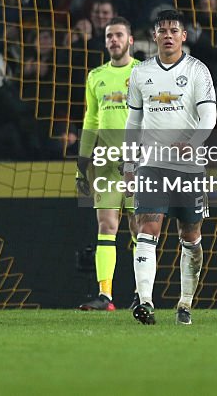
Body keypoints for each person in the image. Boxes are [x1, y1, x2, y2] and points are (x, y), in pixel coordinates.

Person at [125, 9, 217, 325]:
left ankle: (185, 304)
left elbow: (209, 117)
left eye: (173, 30)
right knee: (147, 228)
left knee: (190, 235)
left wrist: (193, 143)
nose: (167, 35)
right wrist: (128, 163)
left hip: (189, 167)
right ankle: (146, 301)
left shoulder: (198, 71)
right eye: (162, 30)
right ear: (154, 36)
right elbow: (133, 120)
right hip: (151, 165)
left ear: (183, 36)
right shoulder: (140, 73)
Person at [76, 17, 139, 311]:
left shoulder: (143, 72)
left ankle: (143, 294)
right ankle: (106, 296)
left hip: (140, 161)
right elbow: (90, 121)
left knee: (140, 227)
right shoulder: (95, 76)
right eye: (109, 36)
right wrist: (82, 163)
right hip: (105, 161)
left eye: (119, 35)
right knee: (106, 225)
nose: (114, 40)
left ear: (130, 40)